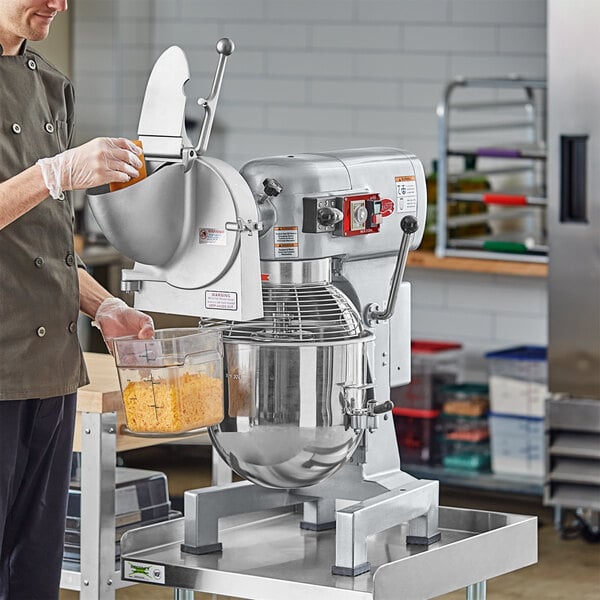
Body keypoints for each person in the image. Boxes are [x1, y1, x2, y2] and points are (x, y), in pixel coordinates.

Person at [0, 1, 155, 598]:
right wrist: (52, 173)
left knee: (35, 574)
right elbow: (46, 186)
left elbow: (41, 242)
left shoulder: (48, 84)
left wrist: (102, 305)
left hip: (52, 373)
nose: (60, 4)